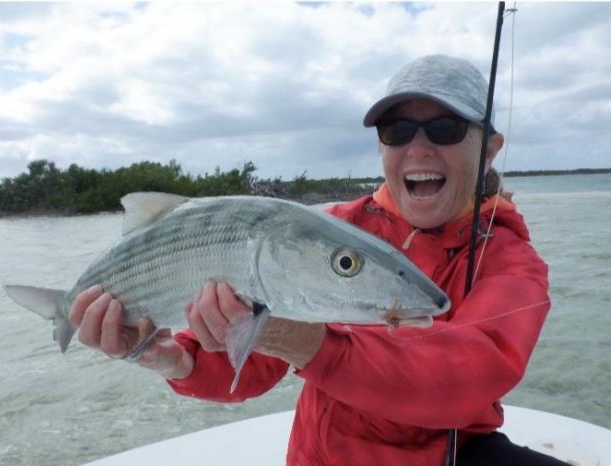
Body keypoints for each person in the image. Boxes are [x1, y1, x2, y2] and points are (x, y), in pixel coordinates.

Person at [69, 55, 568, 465]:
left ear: (491, 149)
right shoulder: (337, 228)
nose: (419, 147)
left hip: (449, 454)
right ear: (380, 146)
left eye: (445, 127)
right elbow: (259, 364)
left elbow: (467, 376)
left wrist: (309, 344)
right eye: (396, 130)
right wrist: (176, 360)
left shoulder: (512, 262)